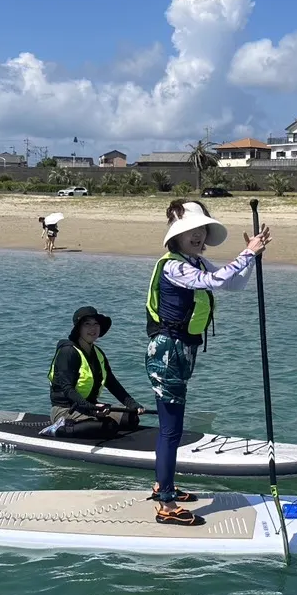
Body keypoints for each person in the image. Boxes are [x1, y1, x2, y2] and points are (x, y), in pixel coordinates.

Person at [144, 200, 270, 525]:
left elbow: (233, 283)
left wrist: (251, 259)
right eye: (192, 231)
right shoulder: (174, 266)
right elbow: (212, 282)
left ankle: (164, 485)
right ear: (177, 235)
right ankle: (166, 505)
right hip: (167, 353)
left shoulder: (196, 261)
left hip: (182, 352)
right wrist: (247, 253)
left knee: (172, 429)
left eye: (202, 230)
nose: (198, 236)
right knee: (171, 431)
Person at [47, 306, 144, 438]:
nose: (92, 329)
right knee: (108, 427)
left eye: (96, 324)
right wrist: (92, 409)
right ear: (78, 329)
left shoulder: (98, 353)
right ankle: (60, 428)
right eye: (87, 324)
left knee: (131, 419)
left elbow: (112, 383)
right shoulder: (68, 352)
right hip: (65, 409)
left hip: (89, 406)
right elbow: (67, 389)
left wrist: (132, 404)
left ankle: (91, 420)